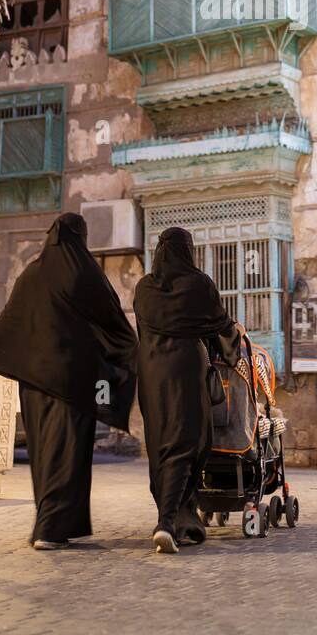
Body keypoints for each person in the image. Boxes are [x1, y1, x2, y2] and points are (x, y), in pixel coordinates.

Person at [0, 212, 138, 551]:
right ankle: (49, 527)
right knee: (68, 453)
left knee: (45, 453)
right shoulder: (86, 274)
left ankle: (53, 525)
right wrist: (134, 355)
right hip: (72, 384)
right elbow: (114, 321)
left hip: (33, 385)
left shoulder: (30, 275)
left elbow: (9, 321)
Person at [134, 226, 241, 554]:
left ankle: (180, 519)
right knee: (188, 443)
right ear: (188, 251)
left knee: (160, 446)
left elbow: (142, 330)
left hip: (151, 372)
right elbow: (222, 326)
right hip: (185, 369)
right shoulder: (199, 285)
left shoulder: (144, 288)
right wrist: (234, 348)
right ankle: (167, 522)